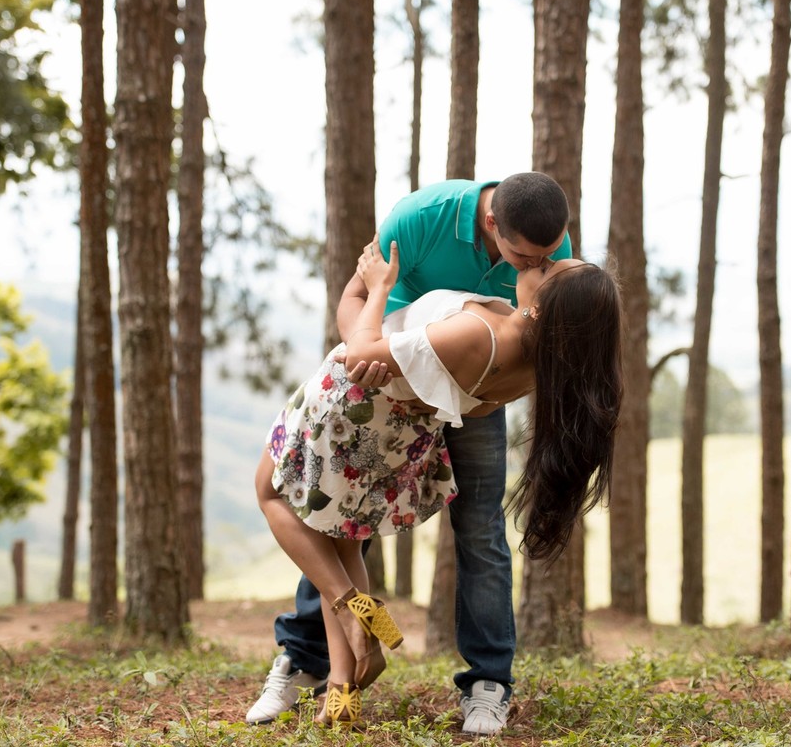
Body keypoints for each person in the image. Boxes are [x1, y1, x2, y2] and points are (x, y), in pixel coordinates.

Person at [246, 172, 576, 735]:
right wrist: (368, 352)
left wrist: (389, 361)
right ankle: (310, 663)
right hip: (395, 375)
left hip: (424, 387)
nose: (533, 268)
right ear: (493, 223)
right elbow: (353, 296)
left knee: (467, 529)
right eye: (524, 257)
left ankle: (486, 682)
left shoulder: (545, 246)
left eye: (545, 260)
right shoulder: (422, 217)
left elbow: (537, 327)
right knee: (341, 527)